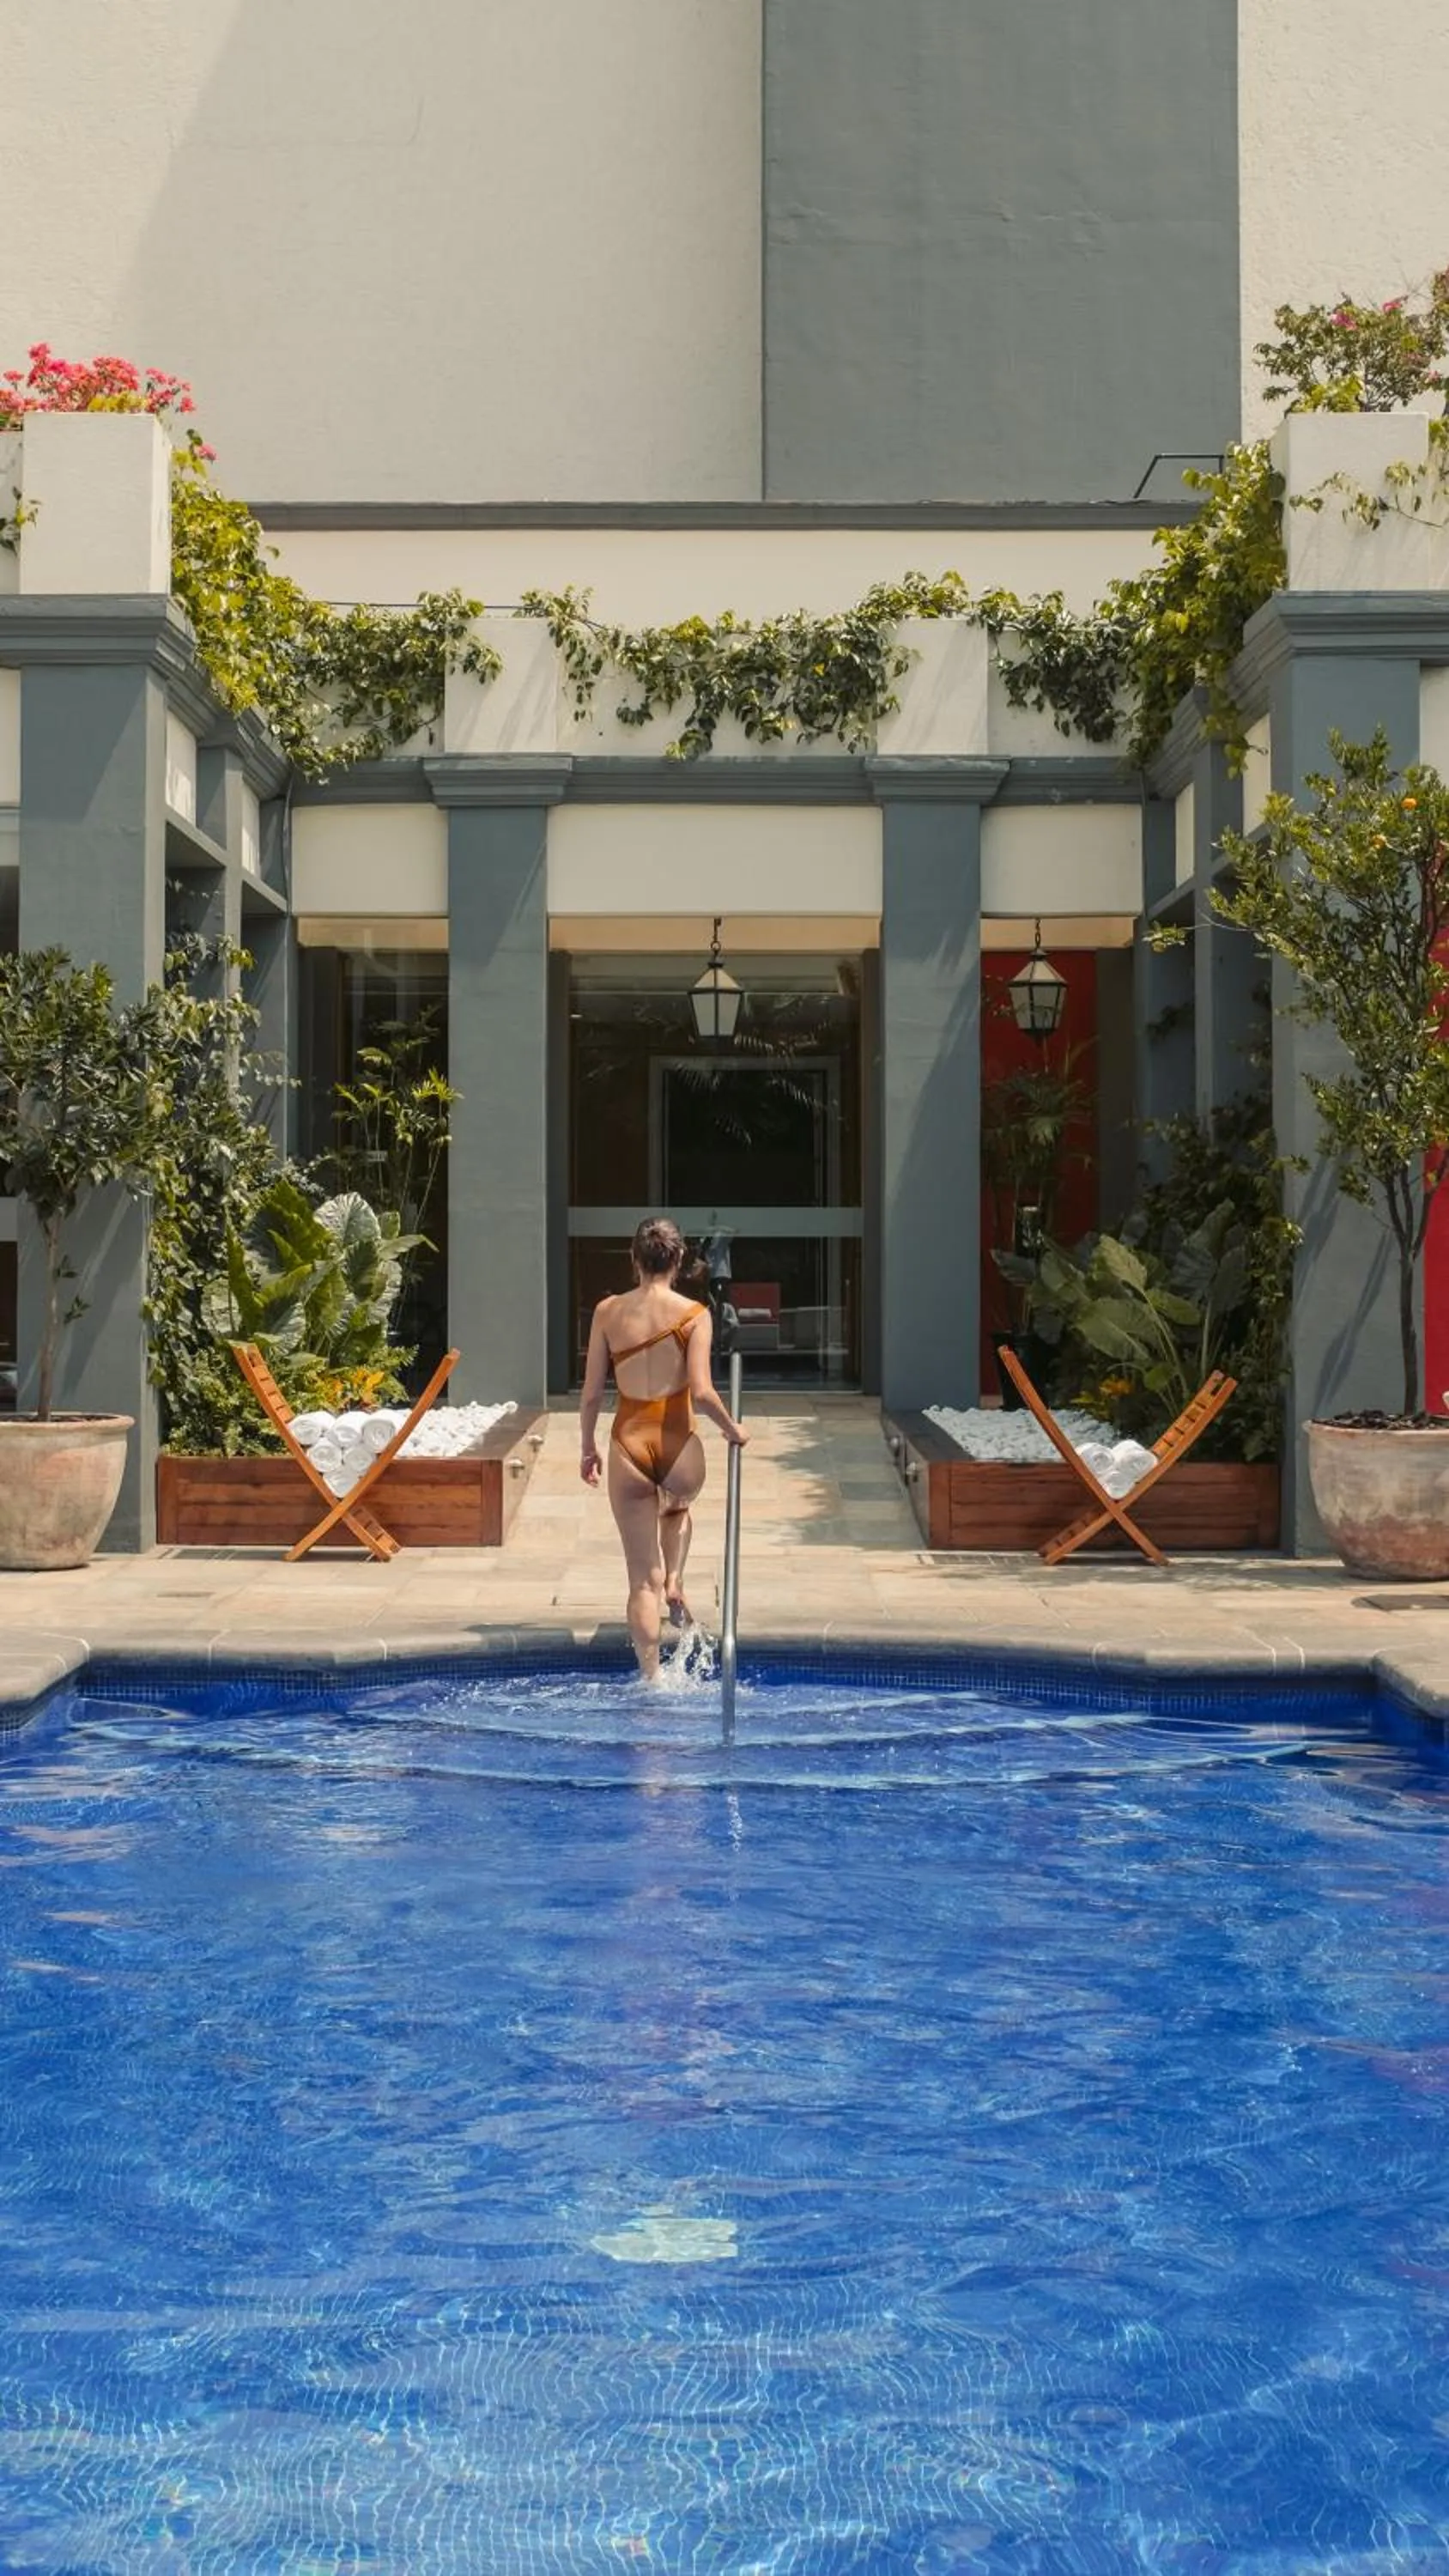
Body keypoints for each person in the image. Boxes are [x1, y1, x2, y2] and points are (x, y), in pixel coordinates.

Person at [579, 1216, 748, 1680]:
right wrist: (733, 1429)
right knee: (676, 1507)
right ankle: (676, 1577)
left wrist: (587, 1447)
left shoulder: (607, 1312)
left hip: (628, 1444)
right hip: (677, 1442)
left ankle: (651, 1680)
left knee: (640, 1579)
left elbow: (592, 1391)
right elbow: (701, 1392)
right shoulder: (694, 1315)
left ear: (634, 1259)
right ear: (678, 1260)